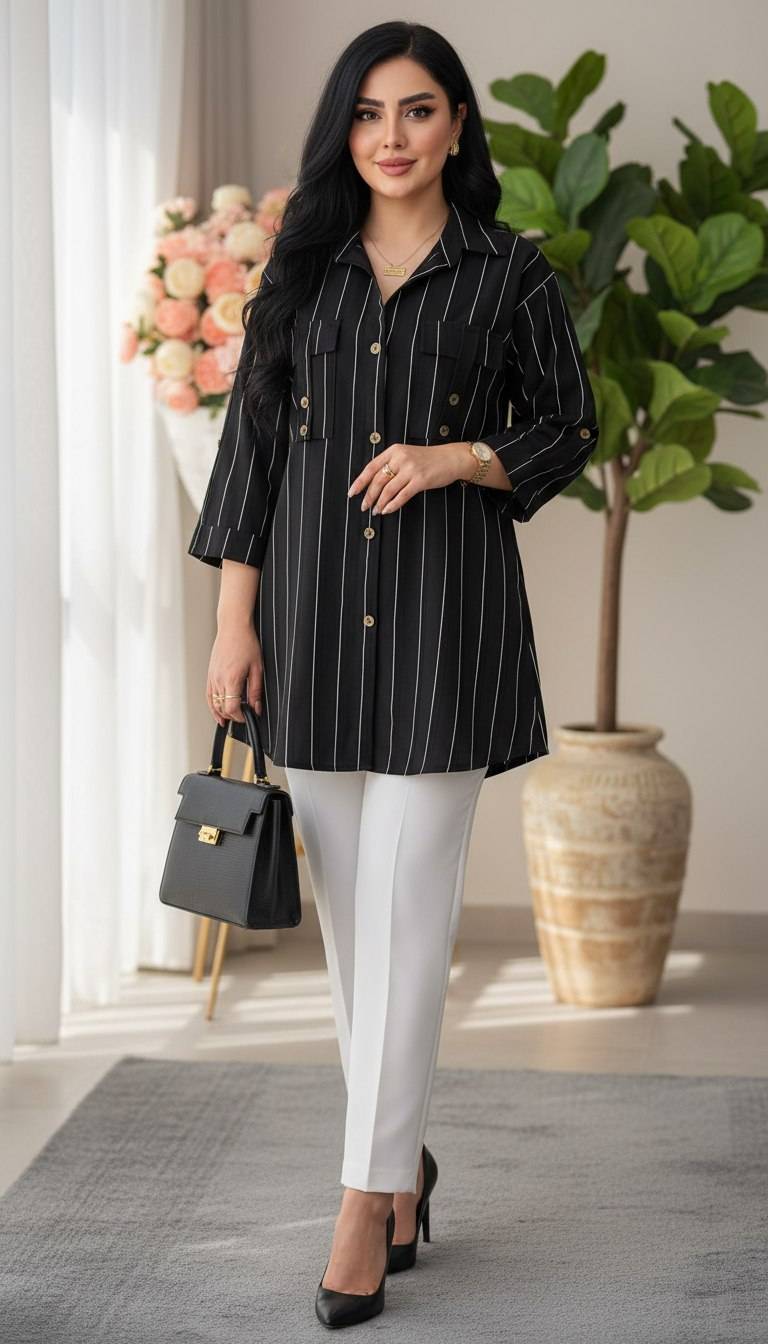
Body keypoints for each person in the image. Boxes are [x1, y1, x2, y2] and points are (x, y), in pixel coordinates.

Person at [187, 20, 599, 1329]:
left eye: (418, 109)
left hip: (445, 624)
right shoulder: (302, 270)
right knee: (354, 934)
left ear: (457, 123)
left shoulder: (508, 273)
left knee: (413, 917)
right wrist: (233, 626)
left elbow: (569, 425)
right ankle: (403, 1164)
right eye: (369, 113)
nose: (393, 135)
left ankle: (363, 1200)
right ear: (345, 131)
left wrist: (457, 457)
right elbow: (251, 454)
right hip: (307, 622)